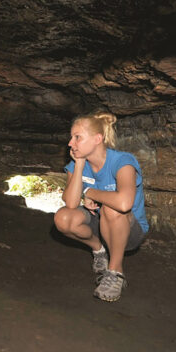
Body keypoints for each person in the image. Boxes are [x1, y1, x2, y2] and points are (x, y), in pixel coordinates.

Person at [53, 112, 148, 302]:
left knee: (112, 208)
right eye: (71, 138)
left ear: (98, 139)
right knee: (63, 218)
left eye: (77, 137)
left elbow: (123, 203)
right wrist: (79, 165)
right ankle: (99, 250)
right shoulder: (77, 163)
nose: (70, 143)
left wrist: (90, 193)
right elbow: (71, 203)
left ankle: (115, 272)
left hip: (130, 231)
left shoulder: (122, 162)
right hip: (101, 224)